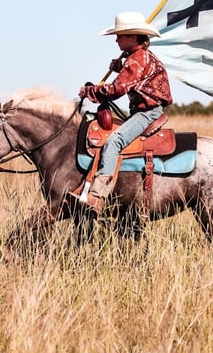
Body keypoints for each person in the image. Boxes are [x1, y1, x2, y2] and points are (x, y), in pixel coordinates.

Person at [73, 11, 173, 213]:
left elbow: (117, 89)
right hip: (141, 111)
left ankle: (98, 195)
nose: (116, 40)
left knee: (114, 141)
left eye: (120, 36)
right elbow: (136, 79)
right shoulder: (137, 58)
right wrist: (121, 68)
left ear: (134, 37)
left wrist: (90, 91)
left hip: (147, 113)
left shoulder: (137, 58)